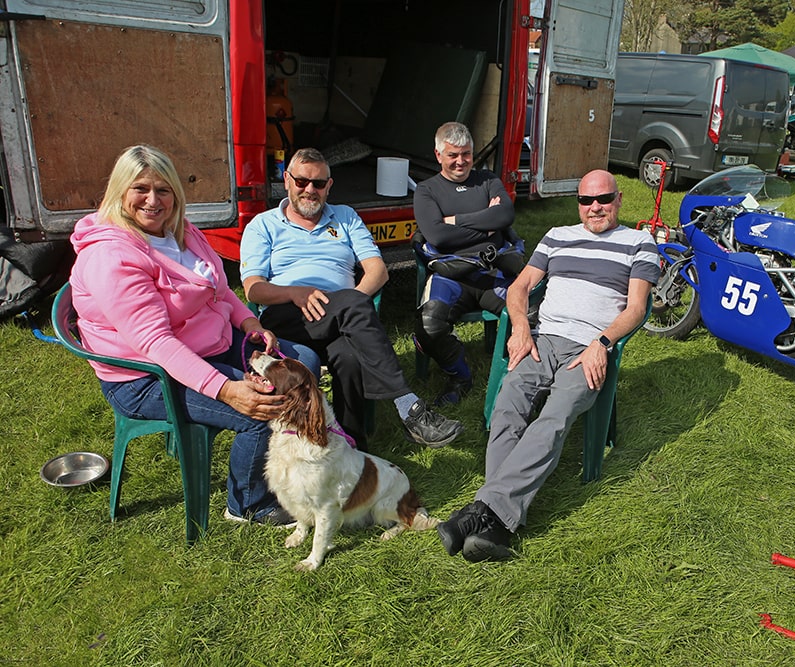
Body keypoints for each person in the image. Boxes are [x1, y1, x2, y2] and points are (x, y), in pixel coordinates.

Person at [70, 144, 322, 527]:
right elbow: (156, 344)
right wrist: (227, 389)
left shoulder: (180, 230)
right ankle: (247, 503)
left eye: (164, 190)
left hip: (205, 343)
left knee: (304, 361)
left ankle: (288, 460)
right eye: (141, 189)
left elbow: (219, 289)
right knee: (260, 409)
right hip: (145, 376)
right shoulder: (113, 257)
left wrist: (249, 324)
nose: (153, 201)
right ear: (120, 191)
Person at [436, 169, 659, 562]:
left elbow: (638, 308)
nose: (595, 208)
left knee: (554, 418)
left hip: (588, 347)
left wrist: (602, 343)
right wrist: (521, 327)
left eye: (604, 199)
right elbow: (520, 287)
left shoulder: (638, 242)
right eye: (586, 200)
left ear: (619, 199)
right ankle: (495, 525)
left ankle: (480, 513)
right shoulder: (557, 235)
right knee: (508, 405)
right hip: (542, 341)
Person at [239, 147, 463, 449]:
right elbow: (253, 288)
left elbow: (378, 272)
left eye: (318, 184)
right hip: (288, 317)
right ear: (287, 179)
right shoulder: (263, 224)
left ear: (329, 186)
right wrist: (294, 293)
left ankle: (352, 448)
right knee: (354, 311)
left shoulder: (345, 217)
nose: (310, 190)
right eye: (302, 181)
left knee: (350, 358)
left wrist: (348, 306)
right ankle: (408, 407)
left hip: (340, 317)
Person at [412, 121, 524, 405]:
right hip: (451, 276)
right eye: (453, 155)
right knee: (428, 326)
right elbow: (437, 235)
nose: (461, 161)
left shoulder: (487, 180)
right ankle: (460, 375)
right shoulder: (426, 190)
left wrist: (457, 221)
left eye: (466, 154)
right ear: (439, 155)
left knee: (530, 315)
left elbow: (505, 216)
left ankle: (522, 380)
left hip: (493, 272)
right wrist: (485, 222)